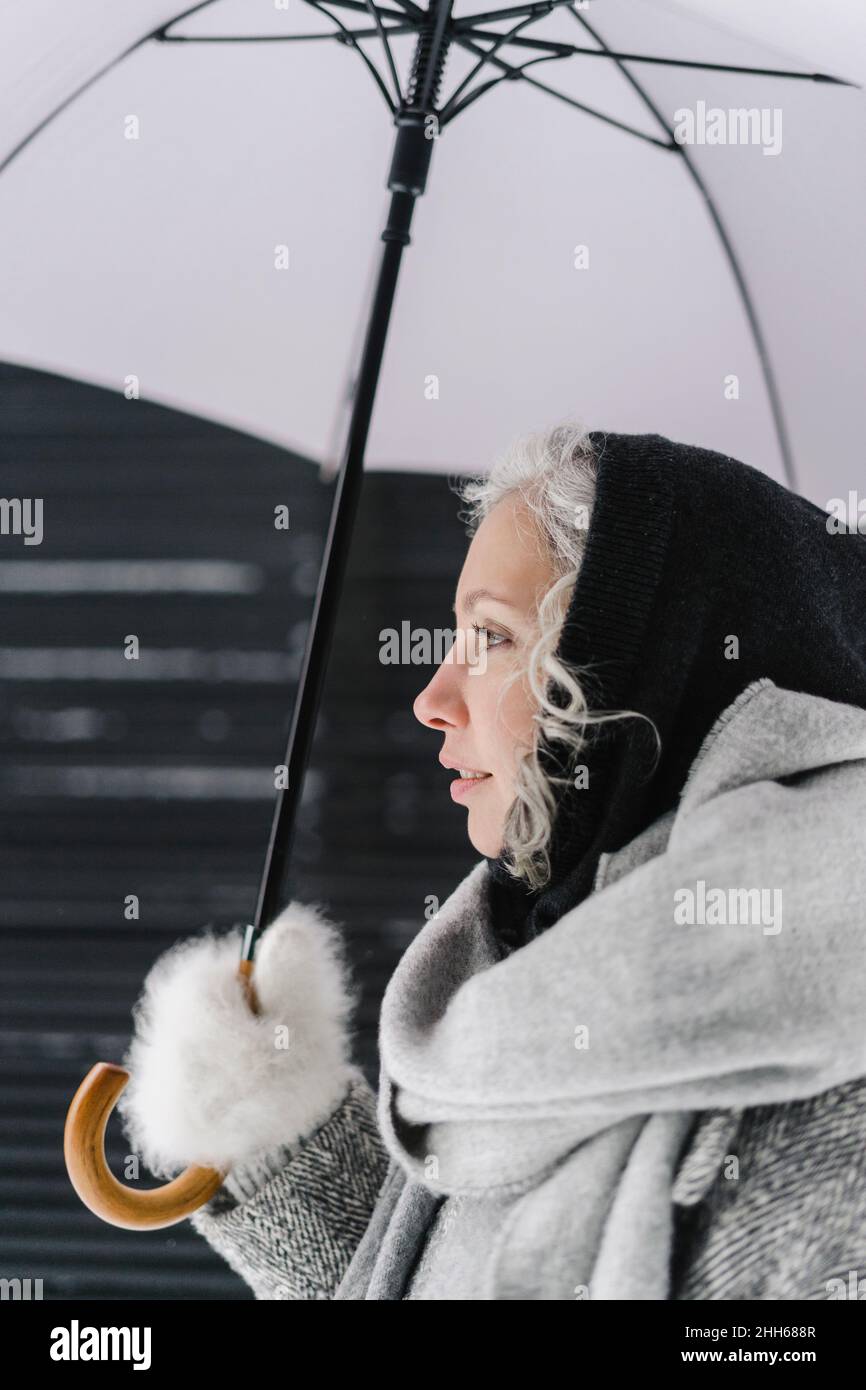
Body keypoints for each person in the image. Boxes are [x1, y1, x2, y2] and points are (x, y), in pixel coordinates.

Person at [117, 422, 866, 1300]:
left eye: (492, 638)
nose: (432, 699)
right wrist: (274, 1129)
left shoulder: (830, 1112)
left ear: (639, 666)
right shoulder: (525, 969)